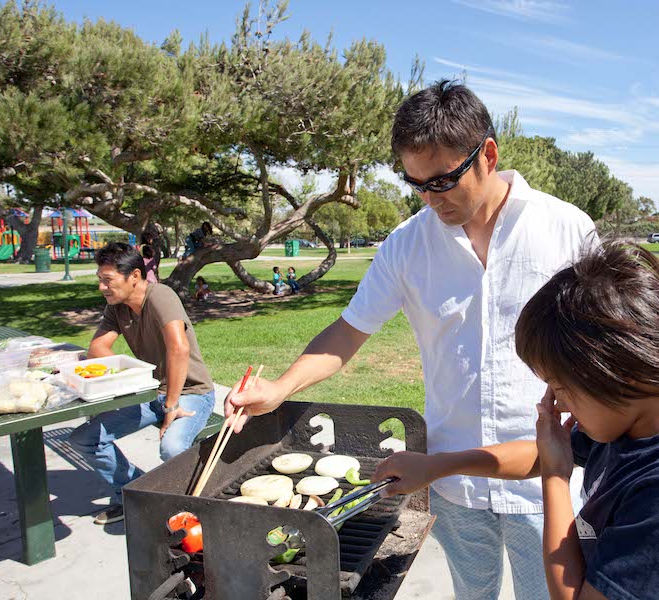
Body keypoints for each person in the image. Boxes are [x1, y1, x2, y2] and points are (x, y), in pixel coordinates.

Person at [225, 80, 598, 598]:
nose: (430, 198)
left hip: (547, 476)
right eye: (416, 183)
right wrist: (280, 388)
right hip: (451, 477)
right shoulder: (406, 244)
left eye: (443, 180)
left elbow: (606, 348)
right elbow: (350, 330)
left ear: (487, 154)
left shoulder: (565, 229)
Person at [373, 242, 659, 600]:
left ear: (618, 372)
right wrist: (437, 466)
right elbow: (540, 454)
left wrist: (555, 479)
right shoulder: (631, 424)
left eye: (559, 387)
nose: (558, 404)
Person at [69, 243, 215, 525]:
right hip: (151, 392)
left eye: (107, 280)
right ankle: (136, 493)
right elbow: (97, 348)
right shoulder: (118, 307)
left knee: (172, 448)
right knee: (85, 439)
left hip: (191, 392)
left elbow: (179, 348)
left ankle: (195, 512)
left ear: (134, 276)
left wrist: (171, 404)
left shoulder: (160, 295)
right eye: (100, 279)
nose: (102, 287)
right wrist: (136, 374)